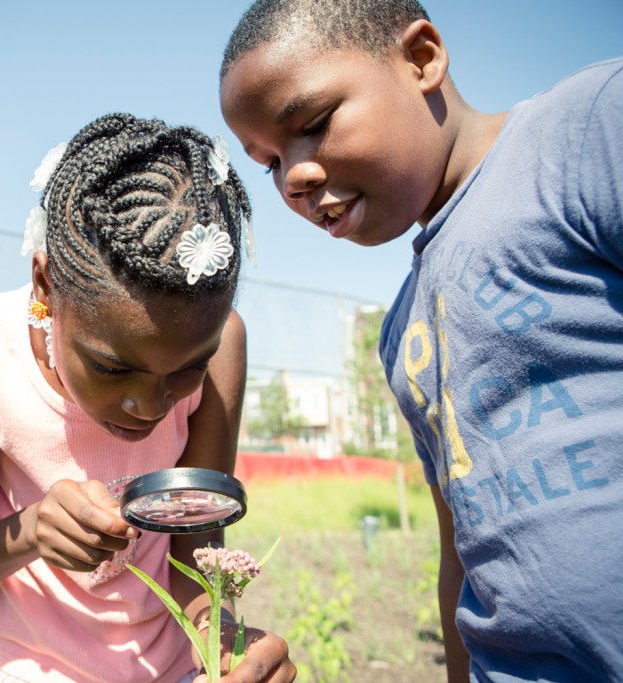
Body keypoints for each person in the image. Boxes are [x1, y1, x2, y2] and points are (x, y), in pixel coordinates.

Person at [219, 1, 623, 681]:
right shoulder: (402, 327)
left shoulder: (585, 132)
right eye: (269, 162)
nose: (293, 176)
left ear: (422, 59)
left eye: (312, 124)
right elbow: (461, 551)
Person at [0, 112, 296, 683]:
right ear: (45, 286)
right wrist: (32, 532)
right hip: (35, 670)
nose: (150, 406)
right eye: (111, 367)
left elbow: (194, 545)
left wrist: (222, 647)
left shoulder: (226, 347)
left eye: (188, 369)